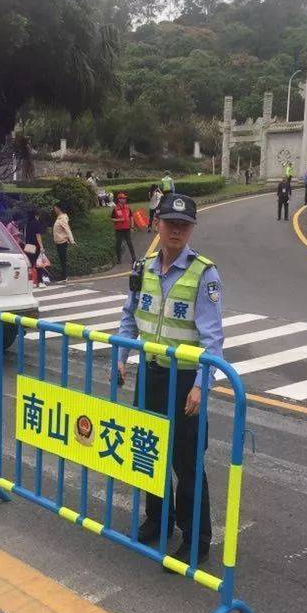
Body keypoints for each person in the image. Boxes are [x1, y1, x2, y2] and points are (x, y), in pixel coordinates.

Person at [117, 193, 223, 564]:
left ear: (191, 229)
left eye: (183, 225)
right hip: (150, 375)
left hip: (185, 381)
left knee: (187, 462)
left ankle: (196, 540)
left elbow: (213, 339)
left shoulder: (203, 274)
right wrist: (121, 356)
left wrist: (200, 386)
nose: (176, 231)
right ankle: (157, 519)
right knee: (150, 450)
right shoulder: (142, 268)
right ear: (156, 225)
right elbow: (129, 315)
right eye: (170, 223)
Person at [52, 202, 76, 283]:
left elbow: (67, 229)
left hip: (62, 242)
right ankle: (63, 275)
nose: (54, 210)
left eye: (55, 208)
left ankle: (64, 276)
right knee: (61, 259)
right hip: (58, 242)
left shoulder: (62, 218)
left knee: (63, 259)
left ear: (59, 209)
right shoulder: (59, 218)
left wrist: (72, 240)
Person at [24, 209, 48, 288]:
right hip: (36, 246)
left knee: (30, 264)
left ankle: (31, 282)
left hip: (28, 246)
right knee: (39, 264)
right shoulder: (36, 222)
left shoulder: (28, 223)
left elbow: (26, 235)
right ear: (36, 215)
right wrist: (41, 246)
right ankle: (40, 282)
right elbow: (38, 235)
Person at [111, 192, 136, 263]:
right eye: (123, 198)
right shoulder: (115, 209)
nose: (125, 199)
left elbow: (131, 216)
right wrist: (118, 220)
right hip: (118, 229)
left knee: (129, 243)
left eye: (125, 198)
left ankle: (134, 258)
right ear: (119, 199)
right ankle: (119, 259)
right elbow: (112, 218)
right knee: (118, 244)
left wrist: (132, 226)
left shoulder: (127, 207)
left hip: (127, 228)